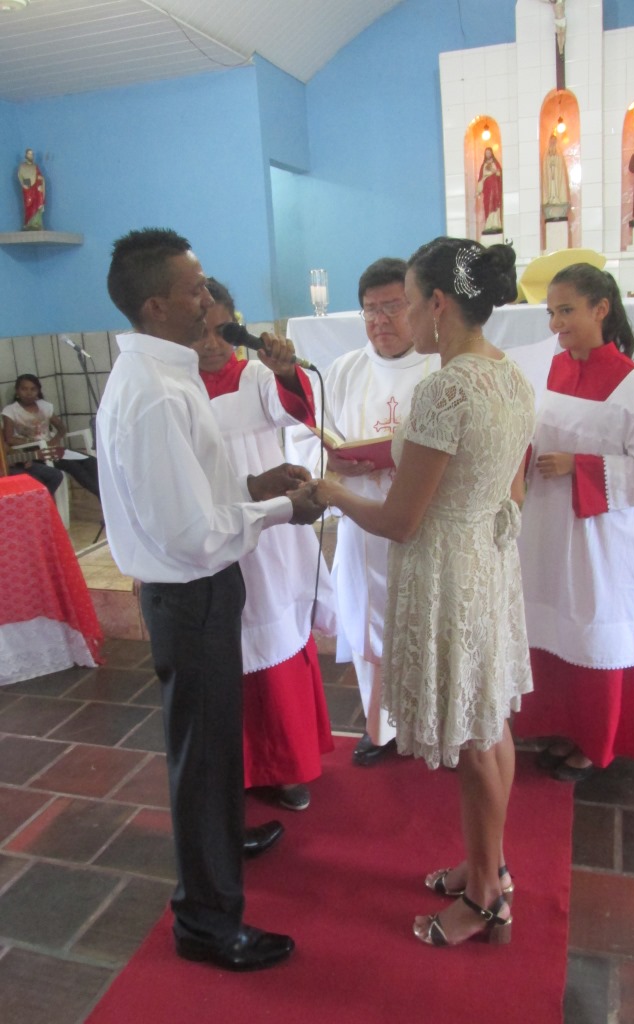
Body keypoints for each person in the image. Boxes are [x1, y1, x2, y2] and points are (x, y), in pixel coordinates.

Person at [97, 228, 324, 973]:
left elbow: (196, 487)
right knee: (200, 755)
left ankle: (225, 836)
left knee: (214, 741)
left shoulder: (166, 374)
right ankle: (206, 920)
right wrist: (281, 511)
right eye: (195, 288)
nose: (209, 298)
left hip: (196, 589)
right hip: (188, 591)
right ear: (157, 304)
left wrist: (250, 487)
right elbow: (193, 535)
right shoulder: (155, 393)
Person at [315, 237, 535, 948]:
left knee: (474, 741)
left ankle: (484, 897)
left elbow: (399, 520)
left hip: (446, 569)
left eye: (406, 302)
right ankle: (486, 864)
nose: (401, 316)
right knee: (488, 719)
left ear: (437, 304)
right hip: (486, 560)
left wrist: (329, 491)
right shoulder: (507, 374)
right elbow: (512, 486)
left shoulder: (444, 388)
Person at [513, 263, 634, 781]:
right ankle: (558, 724)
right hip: (546, 530)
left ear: (601, 309)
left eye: (567, 310)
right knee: (551, 622)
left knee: (592, 628)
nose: (556, 324)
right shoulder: (549, 371)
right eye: (551, 312)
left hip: (603, 539)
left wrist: (579, 467)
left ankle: (593, 741)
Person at [192, 277, 336, 813]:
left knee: (270, 632)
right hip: (206, 527)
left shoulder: (253, 374)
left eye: (221, 330)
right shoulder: (176, 385)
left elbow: (295, 410)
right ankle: (237, 766)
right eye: (200, 332)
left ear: (236, 324)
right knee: (221, 645)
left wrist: (284, 372)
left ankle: (284, 764)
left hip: (266, 529)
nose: (211, 344)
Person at [317, 258, 437, 766]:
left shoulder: (439, 367)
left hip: (422, 526)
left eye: (392, 307)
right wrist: (330, 459)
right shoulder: (346, 369)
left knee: (425, 627)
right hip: (363, 524)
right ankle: (381, 725)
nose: (380, 320)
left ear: (418, 306)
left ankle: (432, 727)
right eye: (370, 309)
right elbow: (317, 438)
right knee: (370, 622)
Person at [2, 373, 99, 499]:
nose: (28, 393)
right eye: (24, 389)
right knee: (73, 466)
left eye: (33, 389)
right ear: (17, 391)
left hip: (52, 450)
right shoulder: (10, 411)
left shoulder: (44, 406)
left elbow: (61, 428)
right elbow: (9, 439)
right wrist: (31, 441)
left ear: (38, 391)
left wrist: (54, 440)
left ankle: (104, 496)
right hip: (34, 453)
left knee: (90, 461)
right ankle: (102, 496)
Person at [541, 134, 570, 221]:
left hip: (556, 178)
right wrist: (550, 164)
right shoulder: (546, 155)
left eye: (554, 141)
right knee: (551, 187)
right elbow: (545, 170)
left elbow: (560, 168)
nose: (553, 143)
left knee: (556, 186)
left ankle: (557, 198)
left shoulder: (559, 154)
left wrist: (555, 164)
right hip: (550, 179)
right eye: (551, 141)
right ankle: (551, 198)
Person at [17, 148, 45, 230]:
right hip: (28, 189)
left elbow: (39, 176)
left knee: (39, 201)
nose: (31, 155)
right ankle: (29, 223)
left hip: (36, 189)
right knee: (28, 204)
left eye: (32, 154)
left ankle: (36, 223)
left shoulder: (35, 166)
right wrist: (24, 185)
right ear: (26, 155)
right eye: (29, 154)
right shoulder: (22, 166)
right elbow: (20, 177)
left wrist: (41, 180)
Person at [476, 147, 503, 235]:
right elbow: (480, 178)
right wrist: (478, 191)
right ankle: (488, 224)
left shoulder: (495, 163)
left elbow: (499, 174)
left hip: (495, 187)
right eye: (486, 153)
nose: (488, 154)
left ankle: (495, 223)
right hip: (487, 188)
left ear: (491, 153)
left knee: (495, 204)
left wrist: (494, 171)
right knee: (488, 205)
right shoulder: (483, 165)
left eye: (489, 152)